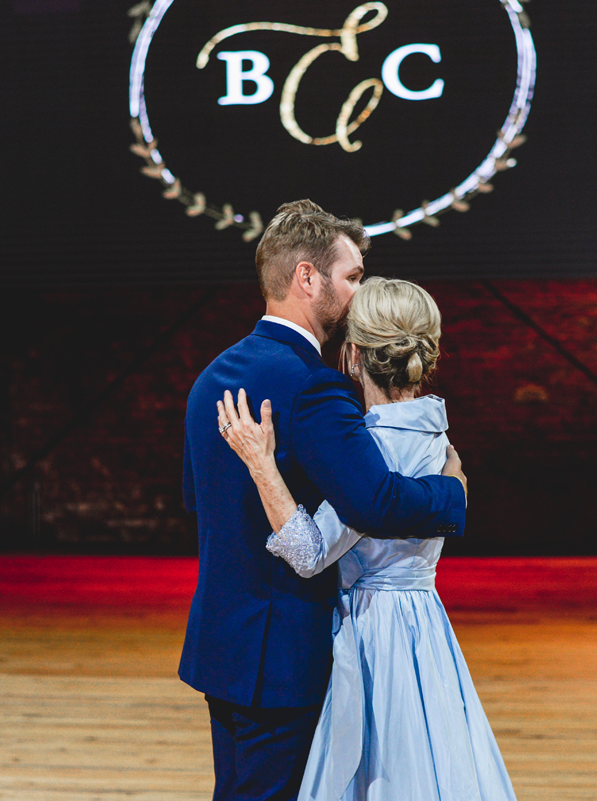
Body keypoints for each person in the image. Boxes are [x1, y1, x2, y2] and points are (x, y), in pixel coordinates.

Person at [180, 200, 469, 801]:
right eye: (353, 275)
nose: (359, 292)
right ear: (307, 277)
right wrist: (451, 491)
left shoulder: (211, 376)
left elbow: (197, 500)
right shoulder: (314, 384)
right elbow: (377, 502)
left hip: (221, 645)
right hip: (287, 655)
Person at [217, 277, 517, 801]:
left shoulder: (370, 448)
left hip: (375, 630)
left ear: (353, 357)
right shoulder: (439, 440)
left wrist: (263, 466)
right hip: (427, 623)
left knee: (379, 768)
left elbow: (309, 554)